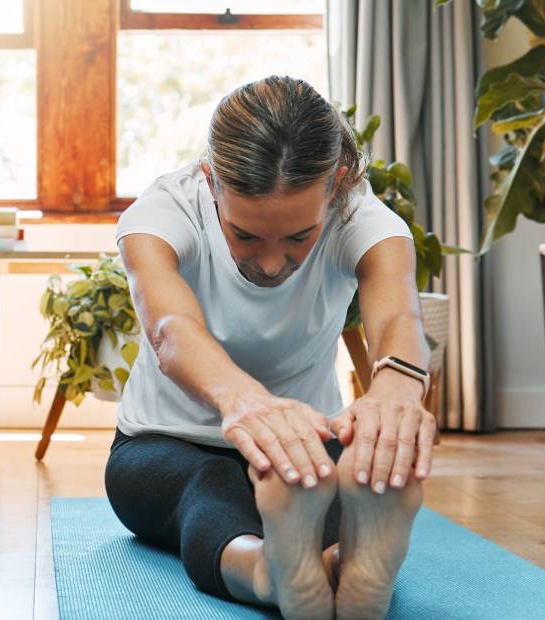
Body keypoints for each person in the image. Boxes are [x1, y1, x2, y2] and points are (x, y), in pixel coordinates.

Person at [105, 76, 436, 620]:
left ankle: (337, 567)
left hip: (306, 443)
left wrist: (397, 393)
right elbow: (170, 328)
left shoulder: (364, 218)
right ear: (211, 182)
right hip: (164, 446)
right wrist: (245, 403)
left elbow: (399, 313)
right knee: (208, 489)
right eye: (247, 236)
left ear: (337, 183)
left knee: (325, 477)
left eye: (299, 237)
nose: (271, 262)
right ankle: (281, 571)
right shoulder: (162, 212)